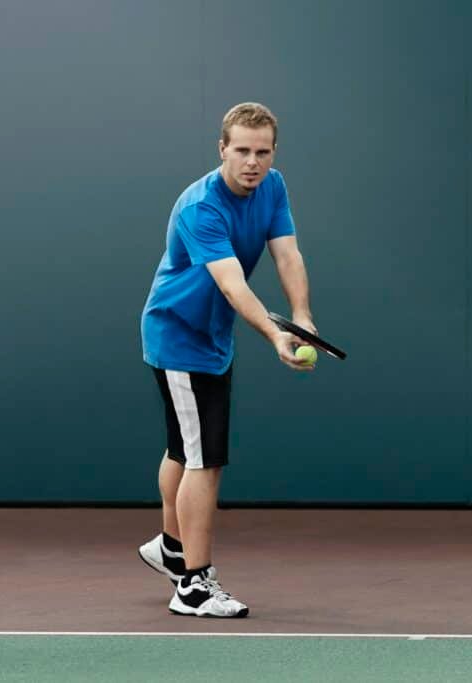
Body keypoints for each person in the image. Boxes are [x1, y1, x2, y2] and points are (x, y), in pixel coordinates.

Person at [137, 102, 316, 618]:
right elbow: (233, 284)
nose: (252, 163)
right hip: (179, 336)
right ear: (223, 149)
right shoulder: (202, 207)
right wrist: (275, 336)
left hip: (212, 336)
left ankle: (170, 548)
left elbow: (287, 255)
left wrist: (300, 317)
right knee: (204, 460)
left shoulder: (273, 187)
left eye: (262, 152)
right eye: (241, 151)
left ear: (273, 153)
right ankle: (191, 584)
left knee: (183, 447)